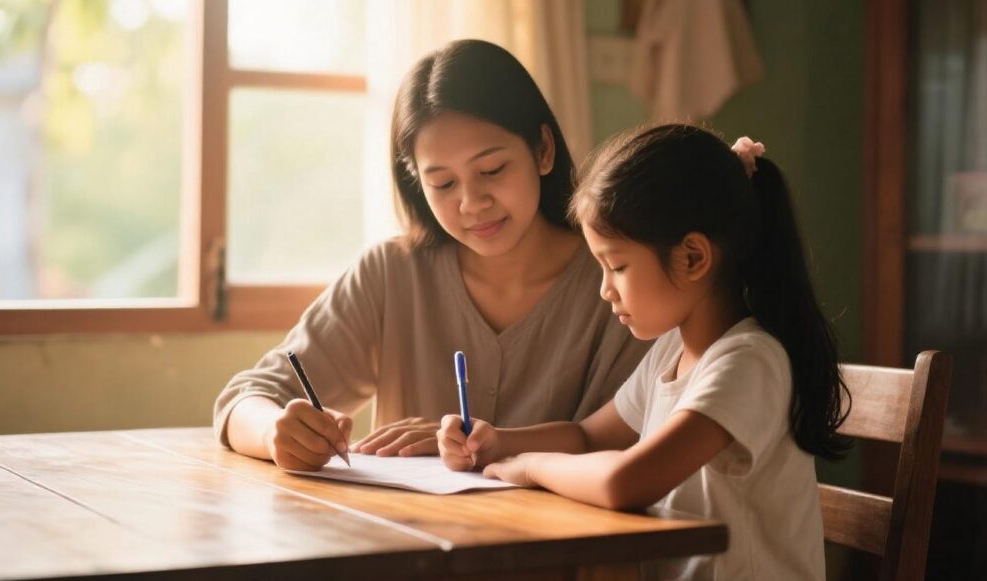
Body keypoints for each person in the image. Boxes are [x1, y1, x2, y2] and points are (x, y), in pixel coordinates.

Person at [213, 39, 650, 472]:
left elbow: (637, 438)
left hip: (572, 541)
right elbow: (245, 398)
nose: (471, 202)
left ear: (543, 150)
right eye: (442, 183)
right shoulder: (392, 273)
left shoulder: (621, 278)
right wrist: (276, 433)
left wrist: (492, 446)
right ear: (416, 183)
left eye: (492, 170)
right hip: (407, 538)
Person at [437, 124, 852, 580]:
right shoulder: (673, 349)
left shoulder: (748, 362)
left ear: (693, 257)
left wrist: (529, 466)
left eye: (617, 266)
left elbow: (625, 482)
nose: (605, 291)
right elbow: (589, 437)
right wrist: (499, 442)